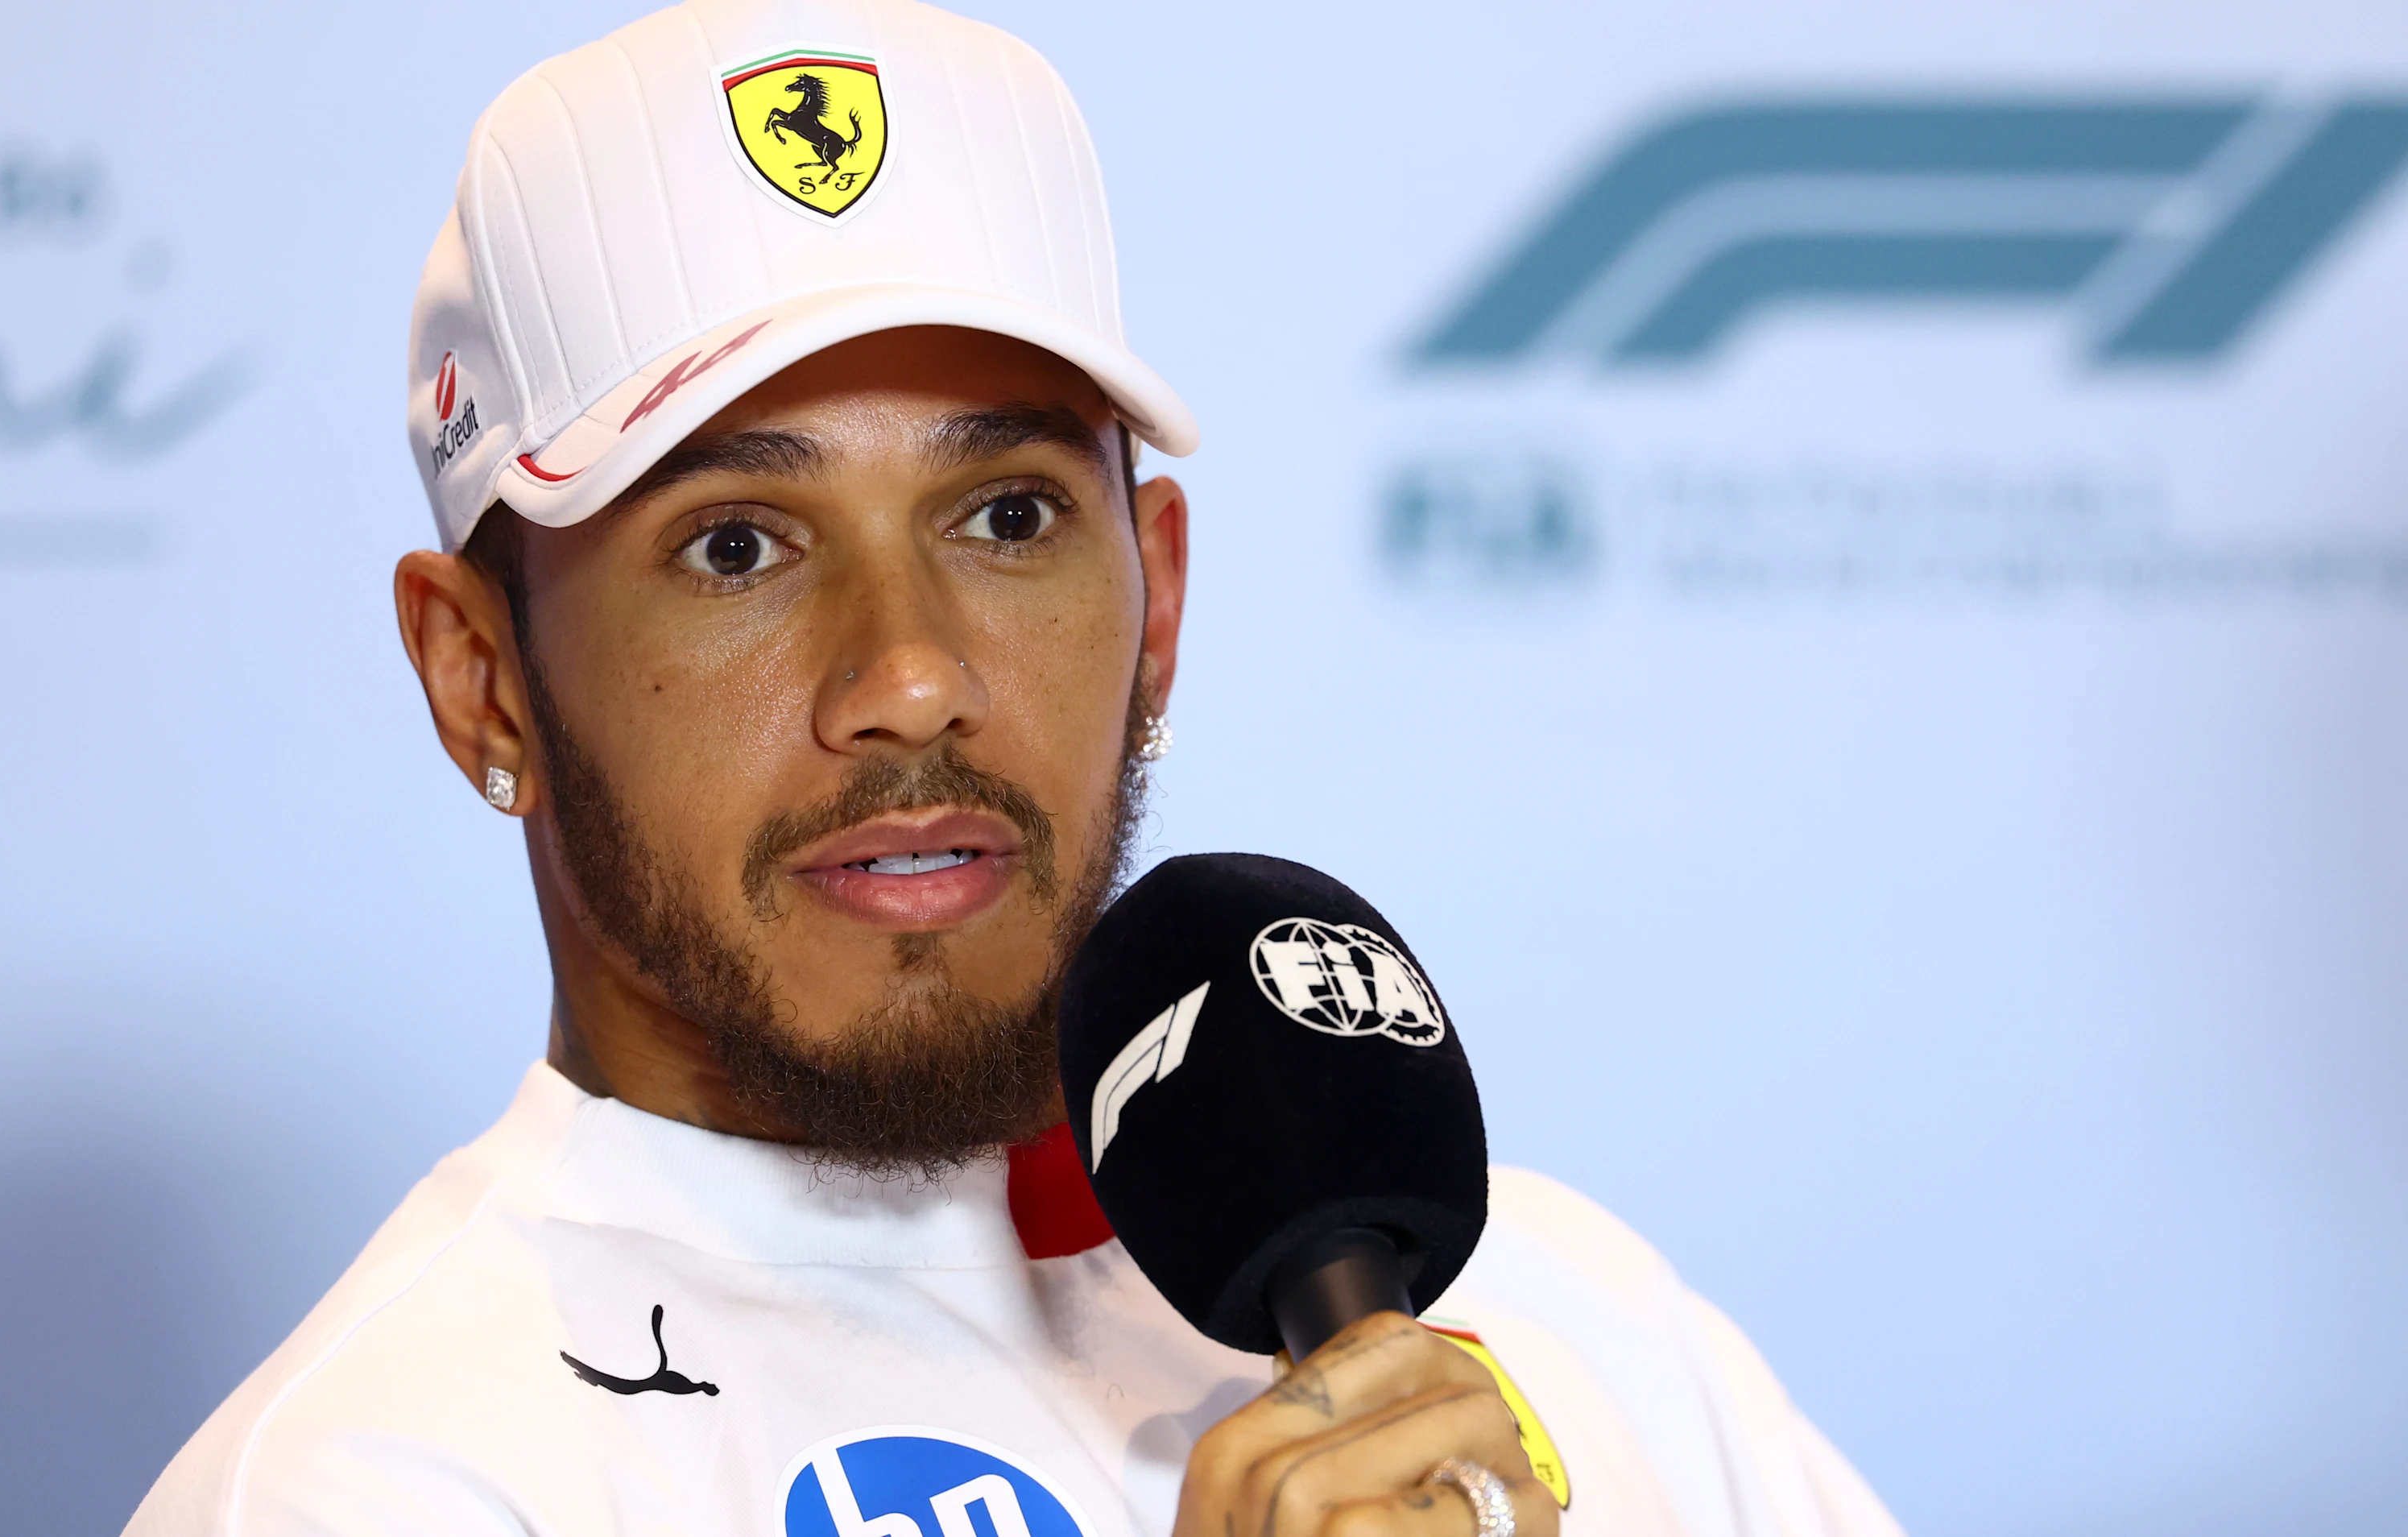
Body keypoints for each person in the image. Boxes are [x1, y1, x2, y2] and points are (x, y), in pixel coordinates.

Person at [127, 3, 1906, 1534]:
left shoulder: (1565, 1311)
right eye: (739, 544)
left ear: (1156, 608)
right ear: (481, 680)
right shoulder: (380, 1477)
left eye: (1005, 514)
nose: (908, 678)